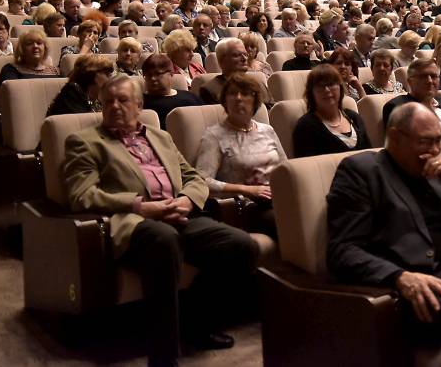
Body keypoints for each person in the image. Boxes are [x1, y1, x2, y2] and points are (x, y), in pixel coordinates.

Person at [62, 73, 257, 365]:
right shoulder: (85, 141)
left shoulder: (160, 136)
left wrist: (187, 200)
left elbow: (192, 176)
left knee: (242, 246)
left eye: (123, 100)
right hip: (135, 222)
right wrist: (141, 207)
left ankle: (195, 322)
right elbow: (82, 195)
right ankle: (163, 355)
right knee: (165, 241)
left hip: (178, 214)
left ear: (139, 105)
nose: (115, 106)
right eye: (108, 101)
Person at [326, 102, 441, 367]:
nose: (434, 151)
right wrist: (399, 277)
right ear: (395, 136)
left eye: (438, 141)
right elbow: (342, 250)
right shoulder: (362, 172)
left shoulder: (438, 172)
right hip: (419, 290)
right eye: (424, 142)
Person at [197, 73, 285, 237]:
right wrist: (247, 190)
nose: (238, 98)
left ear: (255, 101)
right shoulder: (214, 136)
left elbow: (285, 168)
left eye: (244, 93)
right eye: (232, 93)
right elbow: (202, 181)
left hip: (279, 197)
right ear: (224, 101)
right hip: (247, 206)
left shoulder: (267, 130)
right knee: (287, 221)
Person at [293, 64, 371, 158]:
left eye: (331, 84)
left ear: (340, 88)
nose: (326, 90)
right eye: (320, 86)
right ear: (311, 93)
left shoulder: (354, 117)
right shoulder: (305, 126)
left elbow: (370, 155)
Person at [199, 37, 272, 107]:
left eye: (245, 54)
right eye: (237, 55)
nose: (244, 59)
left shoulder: (258, 83)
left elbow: (272, 110)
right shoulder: (210, 90)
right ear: (222, 61)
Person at [383, 58, 441, 128]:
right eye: (423, 77)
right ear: (410, 82)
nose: (430, 81)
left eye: (433, 76)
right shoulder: (397, 107)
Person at [140, 53, 203, 123]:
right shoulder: (140, 102)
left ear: (171, 73)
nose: (153, 78)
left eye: (158, 74)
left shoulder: (190, 97)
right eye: (148, 75)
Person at [46, 54, 115, 116]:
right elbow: (84, 123)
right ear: (91, 74)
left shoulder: (97, 97)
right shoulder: (71, 92)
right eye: (107, 74)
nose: (110, 79)